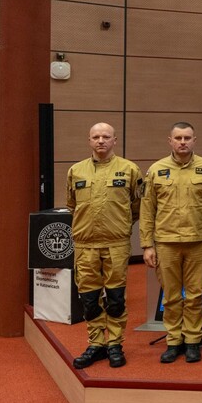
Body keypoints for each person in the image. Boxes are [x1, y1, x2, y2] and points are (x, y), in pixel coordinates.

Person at [140, 122, 202, 364]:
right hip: (166, 243)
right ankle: (174, 341)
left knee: (196, 295)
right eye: (178, 138)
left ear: (194, 140)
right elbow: (147, 210)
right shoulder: (156, 170)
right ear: (170, 141)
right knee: (172, 297)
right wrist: (147, 245)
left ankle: (193, 340)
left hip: (199, 242)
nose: (182, 142)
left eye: (187, 137)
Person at [66, 123, 142, 369]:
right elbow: (72, 205)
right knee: (89, 299)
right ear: (89, 140)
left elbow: (137, 206)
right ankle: (96, 344)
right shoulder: (76, 171)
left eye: (106, 137)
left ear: (115, 140)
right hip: (85, 244)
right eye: (96, 137)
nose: (101, 140)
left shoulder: (129, 170)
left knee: (116, 298)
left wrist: (118, 225)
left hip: (116, 244)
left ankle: (115, 345)